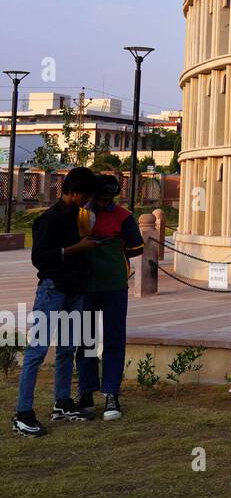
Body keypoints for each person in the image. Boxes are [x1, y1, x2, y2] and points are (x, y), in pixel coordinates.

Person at [12, 167, 100, 437]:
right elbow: (40, 258)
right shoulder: (49, 220)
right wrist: (77, 248)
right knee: (37, 352)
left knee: (66, 349)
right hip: (52, 290)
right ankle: (22, 414)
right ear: (73, 192)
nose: (87, 200)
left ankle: (62, 403)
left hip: (75, 290)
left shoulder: (81, 218)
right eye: (84, 195)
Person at [75, 175, 142, 421]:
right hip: (87, 286)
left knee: (114, 339)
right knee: (86, 340)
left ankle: (111, 393)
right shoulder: (80, 214)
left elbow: (136, 247)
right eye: (100, 198)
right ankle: (86, 392)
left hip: (114, 286)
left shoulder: (124, 217)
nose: (103, 202)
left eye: (107, 198)